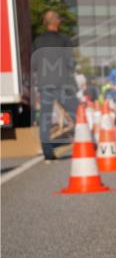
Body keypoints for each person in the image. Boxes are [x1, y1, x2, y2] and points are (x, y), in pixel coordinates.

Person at [32, 11, 78, 161]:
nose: (60, 20)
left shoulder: (38, 41)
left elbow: (34, 64)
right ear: (55, 22)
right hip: (62, 83)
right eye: (59, 18)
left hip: (45, 84)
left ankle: (47, 152)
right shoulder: (64, 40)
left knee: (45, 118)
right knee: (76, 113)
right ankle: (87, 143)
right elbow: (70, 62)